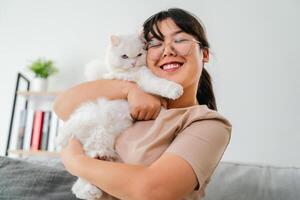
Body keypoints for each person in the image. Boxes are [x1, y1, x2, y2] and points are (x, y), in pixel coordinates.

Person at [54, 8, 232, 200]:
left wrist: (76, 161)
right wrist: (130, 90)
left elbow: (153, 191)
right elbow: (61, 106)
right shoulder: (127, 97)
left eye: (179, 40)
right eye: (155, 44)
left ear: (204, 54)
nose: (167, 50)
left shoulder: (208, 124)